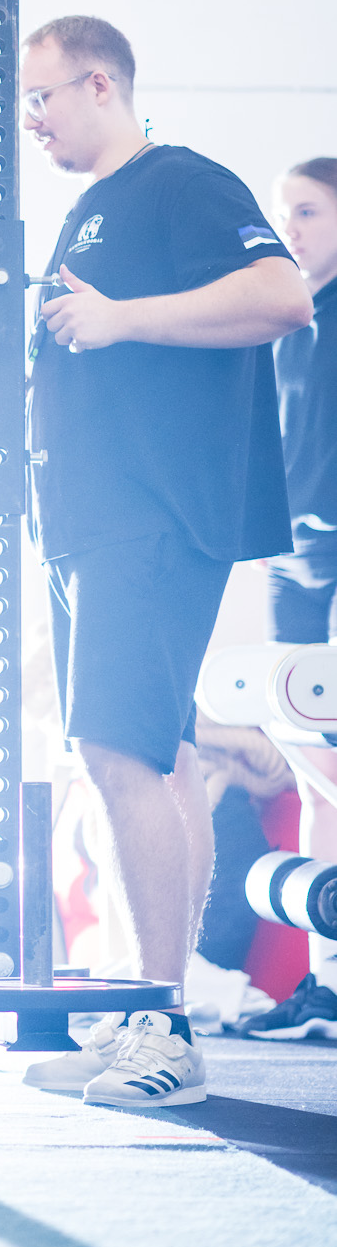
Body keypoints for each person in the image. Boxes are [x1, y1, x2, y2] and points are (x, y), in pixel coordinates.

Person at [16, 16, 310, 1108]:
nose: (30, 120)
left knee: (118, 751)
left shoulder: (179, 181)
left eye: (42, 96)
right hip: (91, 519)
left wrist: (124, 318)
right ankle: (150, 1007)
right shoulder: (89, 211)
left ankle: (164, 1029)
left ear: (101, 84)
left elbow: (280, 295)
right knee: (159, 752)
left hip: (149, 518)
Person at [239, 155, 337, 1040]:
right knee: (314, 768)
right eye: (283, 214)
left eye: (306, 211)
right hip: (292, 559)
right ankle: (327, 983)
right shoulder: (286, 318)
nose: (289, 229)